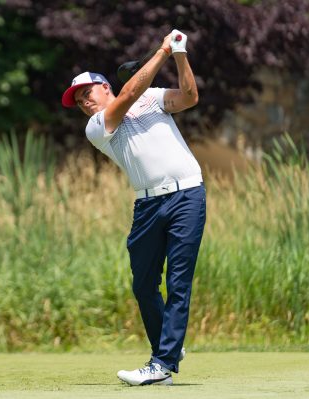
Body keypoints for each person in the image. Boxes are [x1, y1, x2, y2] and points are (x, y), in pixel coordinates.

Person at [61, 29, 206, 386]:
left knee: (178, 283)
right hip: (147, 206)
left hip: (187, 195)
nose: (83, 102)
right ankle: (168, 349)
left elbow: (189, 97)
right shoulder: (97, 127)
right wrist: (162, 52)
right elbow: (128, 94)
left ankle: (162, 363)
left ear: (104, 87)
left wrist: (181, 54)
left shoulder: (153, 98)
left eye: (86, 94)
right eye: (78, 101)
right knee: (143, 285)